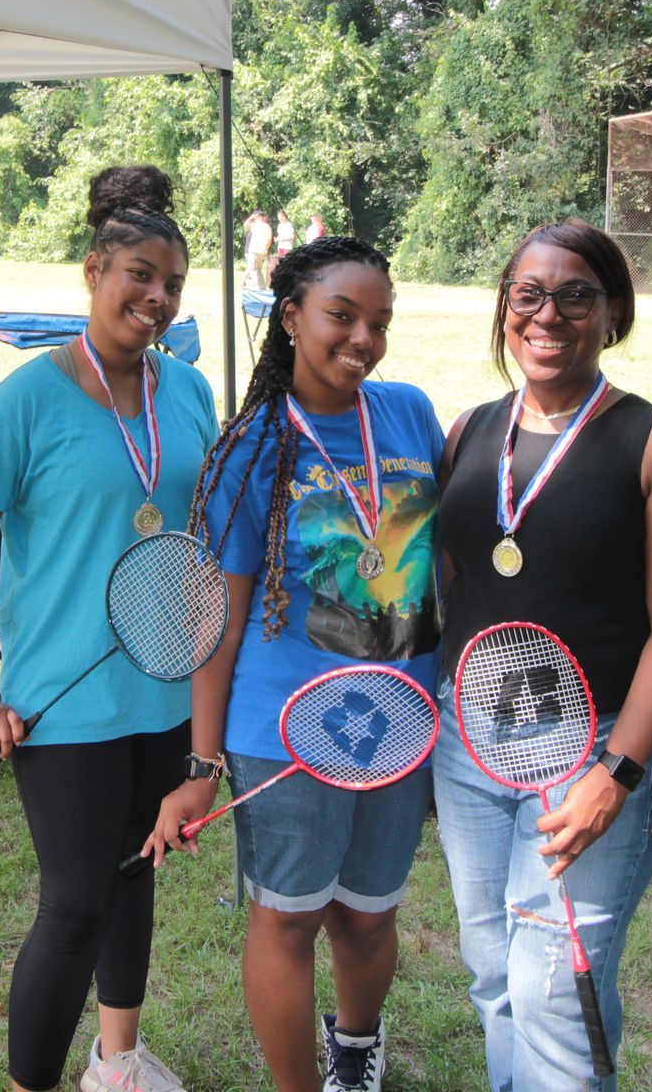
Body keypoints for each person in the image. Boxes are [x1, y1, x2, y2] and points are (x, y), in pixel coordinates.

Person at [0, 166, 218, 1092]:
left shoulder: (187, 392)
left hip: (165, 682)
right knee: (72, 906)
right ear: (94, 271)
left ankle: (119, 1059)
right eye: (139, 274)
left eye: (172, 283)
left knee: (135, 873)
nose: (157, 297)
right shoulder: (27, 399)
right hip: (65, 701)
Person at [142, 237, 443, 1092]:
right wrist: (202, 766)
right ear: (292, 317)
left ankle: (354, 1046)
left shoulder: (410, 412)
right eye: (341, 316)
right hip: (286, 732)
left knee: (369, 916)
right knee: (288, 920)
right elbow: (218, 623)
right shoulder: (253, 447)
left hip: (402, 717)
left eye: (378, 323)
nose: (363, 339)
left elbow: (442, 561)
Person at [431, 219, 652, 1090]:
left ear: (612, 313)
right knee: (496, 977)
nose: (547, 315)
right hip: (469, 740)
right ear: (504, 310)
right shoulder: (469, 430)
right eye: (528, 295)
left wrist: (620, 771)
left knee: (554, 989)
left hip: (591, 743)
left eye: (575, 296)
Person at [246, 210, 276, 289]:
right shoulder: (267, 227)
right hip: (261, 251)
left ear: (259, 217)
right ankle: (262, 288)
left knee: (253, 270)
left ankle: (255, 288)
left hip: (254, 251)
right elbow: (269, 240)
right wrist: (265, 249)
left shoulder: (256, 225)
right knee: (258, 270)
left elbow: (245, 224)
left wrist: (251, 217)